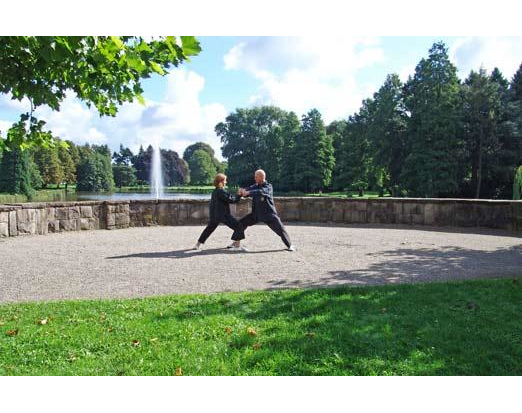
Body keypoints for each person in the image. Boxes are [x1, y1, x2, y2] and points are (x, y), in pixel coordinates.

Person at [238, 169, 296, 252]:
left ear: (262, 177)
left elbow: (260, 192)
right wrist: (242, 190)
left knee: (280, 229)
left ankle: (290, 245)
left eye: (256, 176)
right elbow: (248, 189)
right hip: (256, 214)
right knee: (240, 223)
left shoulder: (268, 186)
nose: (254, 178)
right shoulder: (255, 185)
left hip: (269, 214)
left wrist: (248, 193)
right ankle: (236, 243)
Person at [193, 173, 248, 252]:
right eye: (225, 181)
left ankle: (197, 245)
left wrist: (237, 196)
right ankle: (237, 245)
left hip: (215, 216)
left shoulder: (215, 191)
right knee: (238, 226)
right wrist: (239, 195)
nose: (226, 182)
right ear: (220, 182)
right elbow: (232, 200)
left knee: (208, 230)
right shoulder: (221, 191)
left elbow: (228, 198)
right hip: (223, 215)